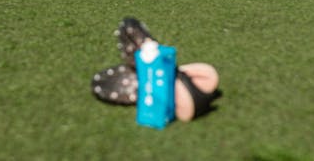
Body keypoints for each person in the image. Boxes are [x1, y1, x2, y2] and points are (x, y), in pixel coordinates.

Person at [91, 18, 222, 122]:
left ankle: (155, 67)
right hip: (189, 96)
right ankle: (159, 66)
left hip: (183, 100)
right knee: (208, 76)